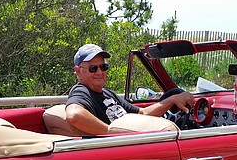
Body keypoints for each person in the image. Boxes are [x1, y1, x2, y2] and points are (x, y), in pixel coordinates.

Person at [66, 43, 194, 134]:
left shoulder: (107, 93)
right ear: (78, 71)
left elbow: (143, 113)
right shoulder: (82, 92)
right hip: (120, 148)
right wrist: (113, 134)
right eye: (93, 68)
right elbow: (74, 114)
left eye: (103, 67)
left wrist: (172, 100)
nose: (99, 72)